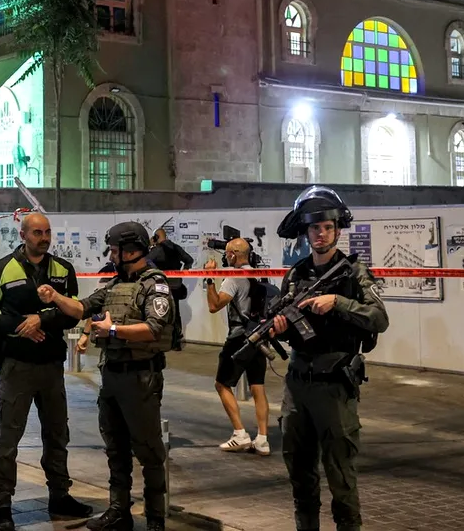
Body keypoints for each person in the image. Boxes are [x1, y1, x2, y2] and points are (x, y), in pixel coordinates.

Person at [40, 221, 175, 531]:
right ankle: (119, 511)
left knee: (149, 451)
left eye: (115, 249)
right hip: (112, 378)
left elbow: (154, 328)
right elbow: (82, 308)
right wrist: (56, 297)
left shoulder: (155, 285)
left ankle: (155, 519)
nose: (111, 255)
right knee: (115, 448)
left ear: (130, 250)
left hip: (141, 378)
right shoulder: (114, 286)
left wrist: (113, 330)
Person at [271, 186, 390, 531]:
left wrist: (337, 302)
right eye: (314, 228)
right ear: (305, 232)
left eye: (326, 227)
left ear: (337, 229)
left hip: (334, 387)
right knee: (299, 472)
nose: (320, 234)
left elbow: (379, 318)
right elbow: (288, 325)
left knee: (340, 475)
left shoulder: (353, 272)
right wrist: (279, 328)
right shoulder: (295, 275)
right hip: (297, 385)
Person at [0, 212, 92, 530]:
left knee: (57, 435)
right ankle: (2, 505)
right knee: (8, 439)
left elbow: (72, 314)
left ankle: (60, 498)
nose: (44, 237)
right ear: (23, 234)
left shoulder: (62, 270)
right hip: (17, 366)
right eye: (37, 232)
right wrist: (20, 326)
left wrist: (42, 320)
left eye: (47, 232)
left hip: (52, 368)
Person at [203, 237, 270, 455]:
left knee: (221, 384)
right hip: (259, 338)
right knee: (257, 387)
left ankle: (240, 434)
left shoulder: (233, 278)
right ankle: (262, 439)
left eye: (228, 253)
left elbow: (214, 305)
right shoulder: (262, 276)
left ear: (232, 255)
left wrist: (210, 278)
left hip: (239, 339)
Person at [147, 228, 193, 350]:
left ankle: (163, 340)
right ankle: (176, 341)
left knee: (160, 312)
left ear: (156, 237)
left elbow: (146, 261)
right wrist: (182, 274)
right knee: (176, 313)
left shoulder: (157, 250)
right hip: (176, 285)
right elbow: (189, 260)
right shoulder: (176, 248)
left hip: (162, 286)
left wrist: (150, 246)